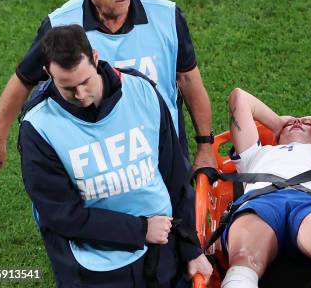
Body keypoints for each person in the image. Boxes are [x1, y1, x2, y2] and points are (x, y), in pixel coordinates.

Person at [0, 0, 215, 176]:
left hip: (164, 154)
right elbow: (23, 80)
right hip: (97, 166)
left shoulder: (166, 16)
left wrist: (205, 146)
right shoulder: (59, 25)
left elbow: (188, 80)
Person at [19, 25, 212, 287]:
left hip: (164, 251)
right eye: (68, 87)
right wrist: (141, 230)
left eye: (85, 81)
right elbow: (63, 216)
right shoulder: (38, 127)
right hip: (94, 271)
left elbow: (174, 175)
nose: (81, 95)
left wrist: (191, 247)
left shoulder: (142, 92)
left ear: (95, 58)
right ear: (47, 74)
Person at [220, 86, 311, 288]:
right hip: (261, 202)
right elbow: (239, 98)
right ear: (276, 137)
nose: (297, 121)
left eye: (304, 122)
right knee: (243, 256)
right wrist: (276, 123)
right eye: (291, 123)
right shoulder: (257, 154)